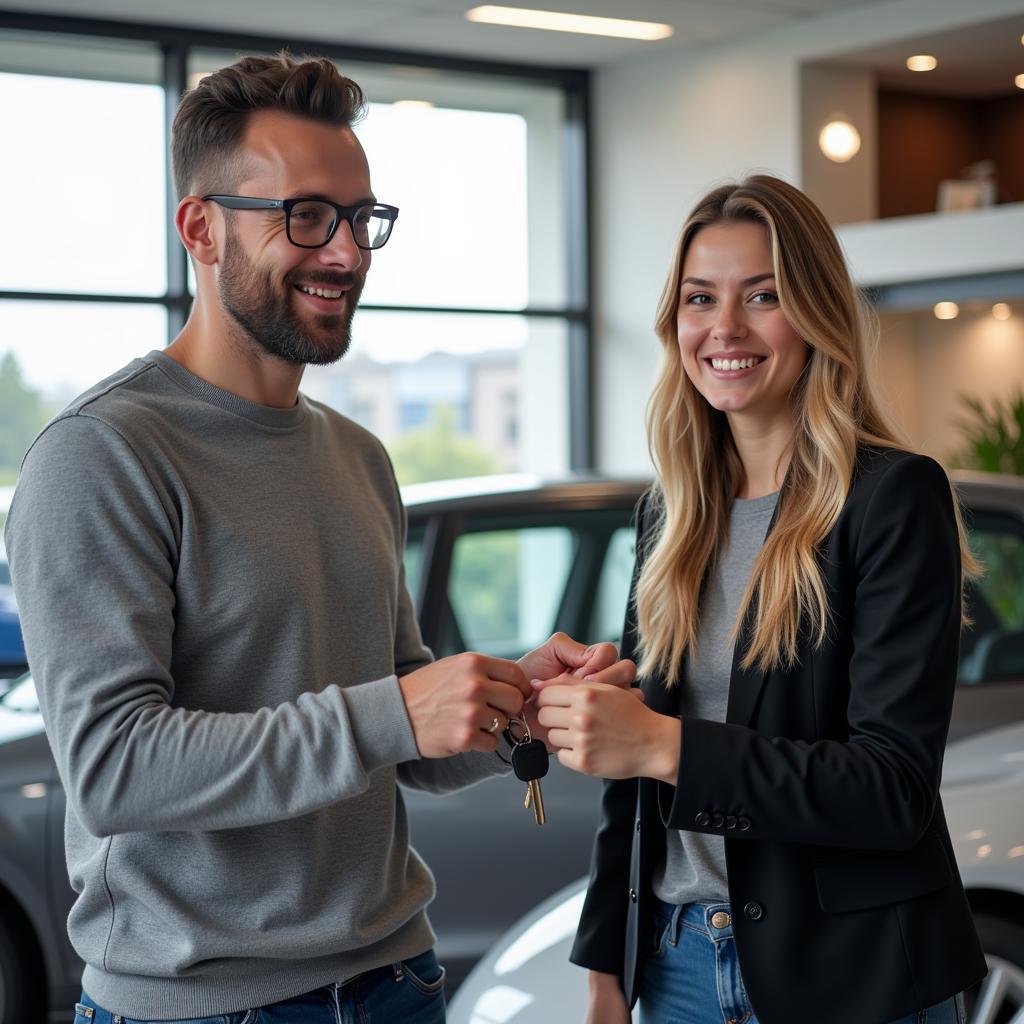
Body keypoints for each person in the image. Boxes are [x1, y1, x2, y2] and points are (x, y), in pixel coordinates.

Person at [3, 54, 634, 1024]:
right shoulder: (102, 456)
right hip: (199, 1008)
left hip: (396, 978)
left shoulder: (358, 455)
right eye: (305, 216)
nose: (345, 252)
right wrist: (395, 710)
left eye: (360, 218)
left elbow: (402, 738)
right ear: (200, 227)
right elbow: (114, 766)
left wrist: (512, 705)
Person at [535, 175, 988, 1024]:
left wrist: (666, 744)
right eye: (700, 299)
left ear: (816, 314)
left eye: (763, 296)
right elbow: (631, 785)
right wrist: (607, 970)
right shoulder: (667, 513)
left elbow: (891, 791)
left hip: (851, 978)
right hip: (675, 970)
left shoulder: (891, 497)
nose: (725, 329)